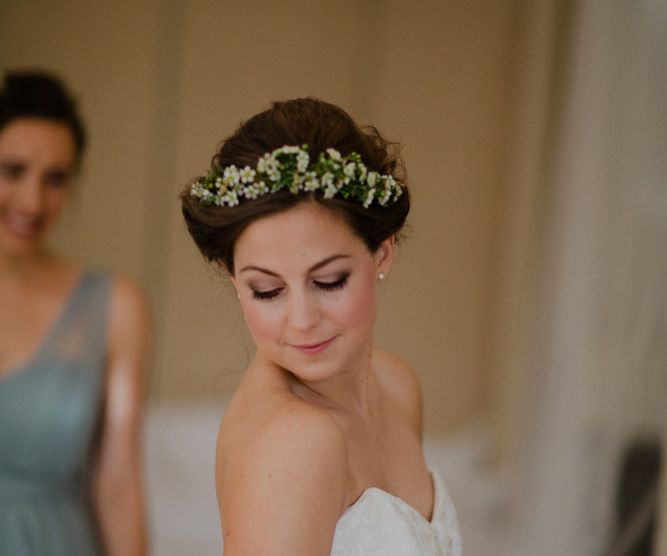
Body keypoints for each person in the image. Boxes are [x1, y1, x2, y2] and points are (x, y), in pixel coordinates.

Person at [181, 98, 462, 555]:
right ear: (234, 280)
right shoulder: (294, 440)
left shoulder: (397, 386)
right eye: (267, 291)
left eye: (329, 281)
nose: (303, 320)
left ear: (382, 252)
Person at [0, 70, 150, 555]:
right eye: (13, 170)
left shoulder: (114, 306)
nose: (32, 200)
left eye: (56, 178)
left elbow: (118, 484)